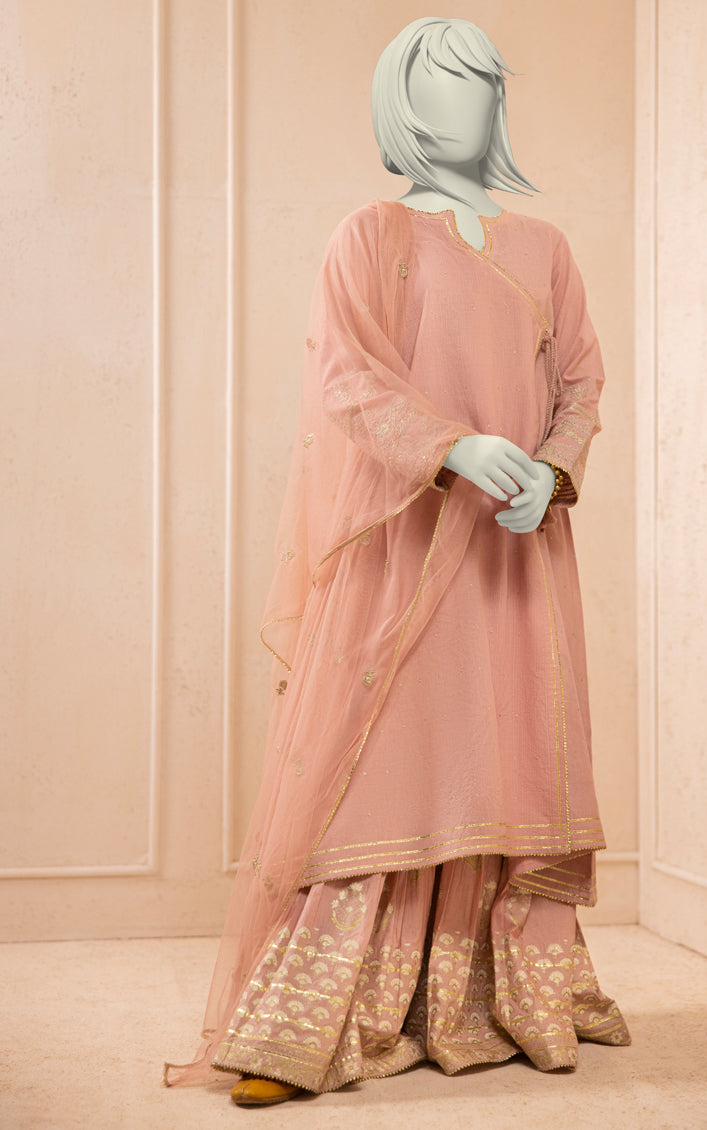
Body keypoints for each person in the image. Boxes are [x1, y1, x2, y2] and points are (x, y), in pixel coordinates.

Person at [164, 16, 631, 1107]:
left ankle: (496, 999)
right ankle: (308, 1021)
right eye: (437, 82)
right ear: (400, 102)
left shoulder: (544, 247)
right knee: (378, 764)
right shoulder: (369, 236)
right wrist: (454, 448)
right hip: (407, 545)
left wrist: (550, 472)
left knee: (505, 760)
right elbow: (348, 378)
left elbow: (581, 383)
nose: (461, 101)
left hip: (516, 559)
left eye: (479, 81)